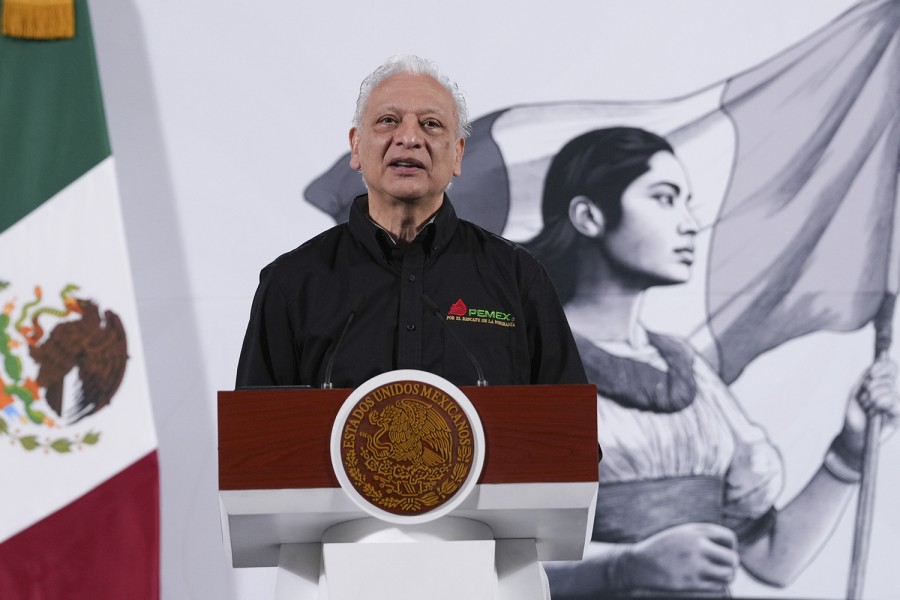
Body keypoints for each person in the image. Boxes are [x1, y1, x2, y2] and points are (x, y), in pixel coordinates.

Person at [525, 127, 899, 598]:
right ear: (588, 216)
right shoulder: (532, 362)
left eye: (687, 202)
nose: (688, 223)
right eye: (664, 199)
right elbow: (485, 571)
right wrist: (623, 569)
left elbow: (771, 559)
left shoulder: (689, 369)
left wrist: (850, 448)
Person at [236, 54, 586, 392]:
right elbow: (256, 441)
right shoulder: (292, 283)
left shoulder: (519, 278)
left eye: (430, 124)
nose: (409, 137)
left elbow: (571, 440)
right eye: (388, 120)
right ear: (356, 146)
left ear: (458, 154)